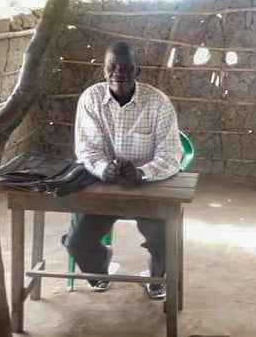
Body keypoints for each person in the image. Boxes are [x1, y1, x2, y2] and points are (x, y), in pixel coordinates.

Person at [63, 41, 182, 299]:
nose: (119, 72)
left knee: (165, 241)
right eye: (111, 67)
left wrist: (143, 172)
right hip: (104, 187)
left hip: (147, 187)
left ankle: (156, 276)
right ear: (104, 70)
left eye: (126, 67)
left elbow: (172, 155)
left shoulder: (158, 102)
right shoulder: (91, 98)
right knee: (77, 243)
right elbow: (87, 148)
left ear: (137, 71)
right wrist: (104, 168)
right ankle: (100, 266)